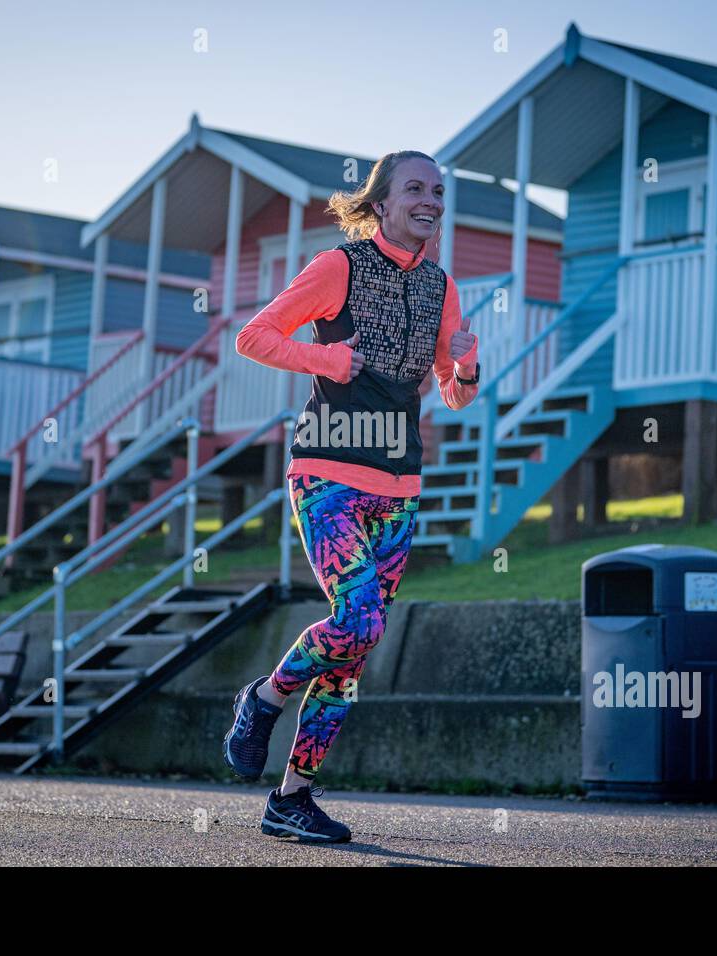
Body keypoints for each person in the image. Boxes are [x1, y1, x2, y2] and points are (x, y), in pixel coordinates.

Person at [224, 150, 481, 842]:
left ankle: (292, 798)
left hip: (399, 487)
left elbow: (454, 396)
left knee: (353, 651)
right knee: (361, 621)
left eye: (438, 191)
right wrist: (326, 358)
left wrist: (466, 364)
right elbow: (255, 336)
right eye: (416, 190)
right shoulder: (338, 267)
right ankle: (264, 697)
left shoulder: (441, 286)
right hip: (328, 472)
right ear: (381, 203)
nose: (431, 200)